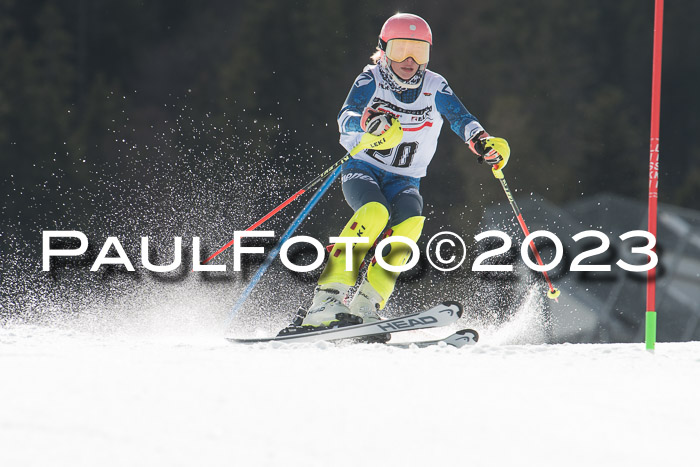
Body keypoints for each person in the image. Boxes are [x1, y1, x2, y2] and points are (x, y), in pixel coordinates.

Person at [300, 12, 510, 329]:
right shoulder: (371, 79)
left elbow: (461, 119)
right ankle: (325, 300)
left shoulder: (434, 85)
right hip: (364, 168)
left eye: (419, 51)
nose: (409, 60)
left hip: (405, 178)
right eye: (400, 50)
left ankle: (367, 304)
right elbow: (346, 116)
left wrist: (483, 142)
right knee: (374, 214)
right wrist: (366, 122)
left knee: (410, 224)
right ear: (384, 49)